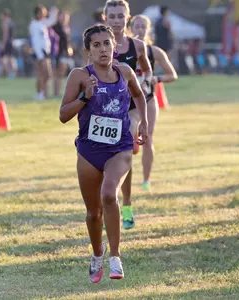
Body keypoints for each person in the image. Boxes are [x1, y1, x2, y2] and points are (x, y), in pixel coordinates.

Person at [58, 24, 148, 283]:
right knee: (92, 213)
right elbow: (63, 115)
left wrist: (142, 123)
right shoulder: (79, 75)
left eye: (106, 44)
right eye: (96, 45)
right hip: (89, 151)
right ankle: (98, 254)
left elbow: (139, 96)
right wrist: (85, 97)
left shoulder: (125, 72)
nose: (103, 49)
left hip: (120, 147)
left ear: (114, 46)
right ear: (87, 51)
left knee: (109, 194)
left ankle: (115, 257)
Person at [104, 0, 153, 230]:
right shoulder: (99, 45)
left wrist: (144, 82)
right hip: (105, 110)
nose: (116, 21)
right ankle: (107, 203)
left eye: (120, 16)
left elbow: (147, 69)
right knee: (106, 158)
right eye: (112, 16)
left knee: (126, 144)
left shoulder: (137, 46)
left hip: (131, 108)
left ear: (127, 18)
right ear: (105, 18)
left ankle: (126, 205)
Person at [129, 15, 178, 192]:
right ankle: (121, 177)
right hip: (128, 100)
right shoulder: (122, 50)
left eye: (143, 27)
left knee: (147, 137)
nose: (140, 30)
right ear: (131, 28)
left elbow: (172, 74)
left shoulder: (154, 51)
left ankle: (145, 180)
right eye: (137, 26)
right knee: (126, 139)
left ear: (148, 30)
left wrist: (156, 78)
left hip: (149, 98)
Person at [29, 5, 58, 101]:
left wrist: (54, 12)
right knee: (41, 74)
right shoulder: (34, 24)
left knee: (47, 74)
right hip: (40, 53)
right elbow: (35, 41)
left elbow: (52, 21)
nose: (43, 14)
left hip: (46, 52)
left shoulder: (42, 23)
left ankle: (42, 92)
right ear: (37, 13)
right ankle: (39, 94)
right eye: (42, 12)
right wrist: (39, 55)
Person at [52, 10, 73, 97]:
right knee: (58, 74)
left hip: (66, 53)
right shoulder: (55, 27)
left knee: (63, 74)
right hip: (58, 53)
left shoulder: (66, 27)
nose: (64, 18)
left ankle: (60, 92)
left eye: (65, 16)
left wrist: (70, 49)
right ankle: (56, 93)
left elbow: (68, 41)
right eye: (62, 16)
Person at [0, 9, 17, 78]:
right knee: (11, 58)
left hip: (7, 42)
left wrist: (3, 44)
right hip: (11, 42)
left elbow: (5, 34)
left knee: (3, 58)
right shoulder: (11, 22)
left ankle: (9, 73)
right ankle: (13, 73)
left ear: (5, 15)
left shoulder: (5, 23)